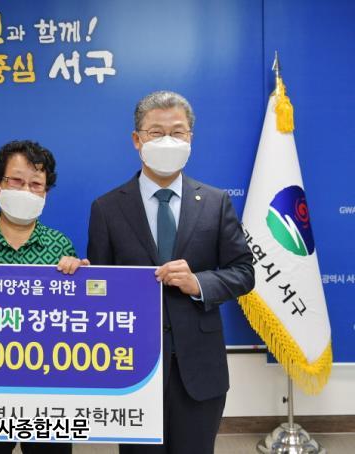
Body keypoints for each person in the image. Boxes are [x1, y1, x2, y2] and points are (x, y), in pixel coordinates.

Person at [87, 91, 254, 454]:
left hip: (199, 367)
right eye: (155, 132)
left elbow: (244, 272)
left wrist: (199, 283)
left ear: (190, 139)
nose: (167, 141)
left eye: (177, 132)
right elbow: (99, 289)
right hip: (133, 366)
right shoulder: (107, 208)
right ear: (137, 140)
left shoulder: (215, 202)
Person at [0, 140, 88, 454]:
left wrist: (82, 281)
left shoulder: (61, 245)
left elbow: (76, 320)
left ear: (45, 193)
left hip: (48, 390)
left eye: (36, 184)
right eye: (16, 181)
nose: (26, 190)